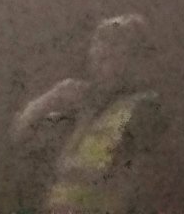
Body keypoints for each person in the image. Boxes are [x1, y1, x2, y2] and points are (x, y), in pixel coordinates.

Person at [13, 13, 163, 214]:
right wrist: (49, 100)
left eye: (112, 55)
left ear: (136, 60)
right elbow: (19, 135)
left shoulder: (143, 109)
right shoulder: (82, 107)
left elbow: (135, 183)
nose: (101, 65)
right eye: (98, 55)